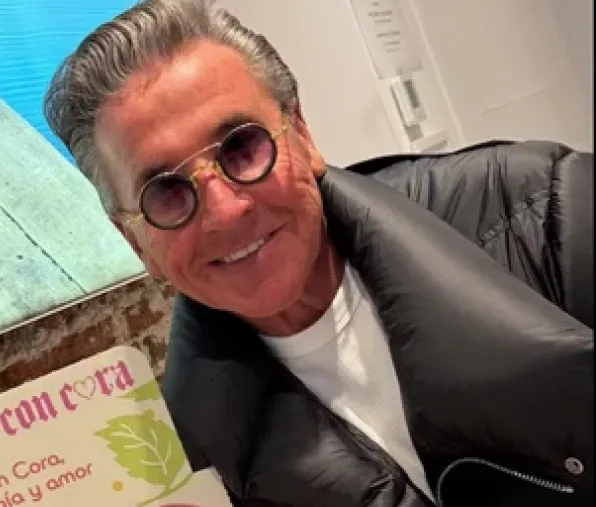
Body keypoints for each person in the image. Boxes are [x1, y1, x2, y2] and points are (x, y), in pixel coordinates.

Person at [43, 1, 594, 505]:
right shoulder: (197, 469)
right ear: (135, 242)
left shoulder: (546, 209)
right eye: (165, 191)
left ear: (302, 133)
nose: (226, 211)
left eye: (242, 146)